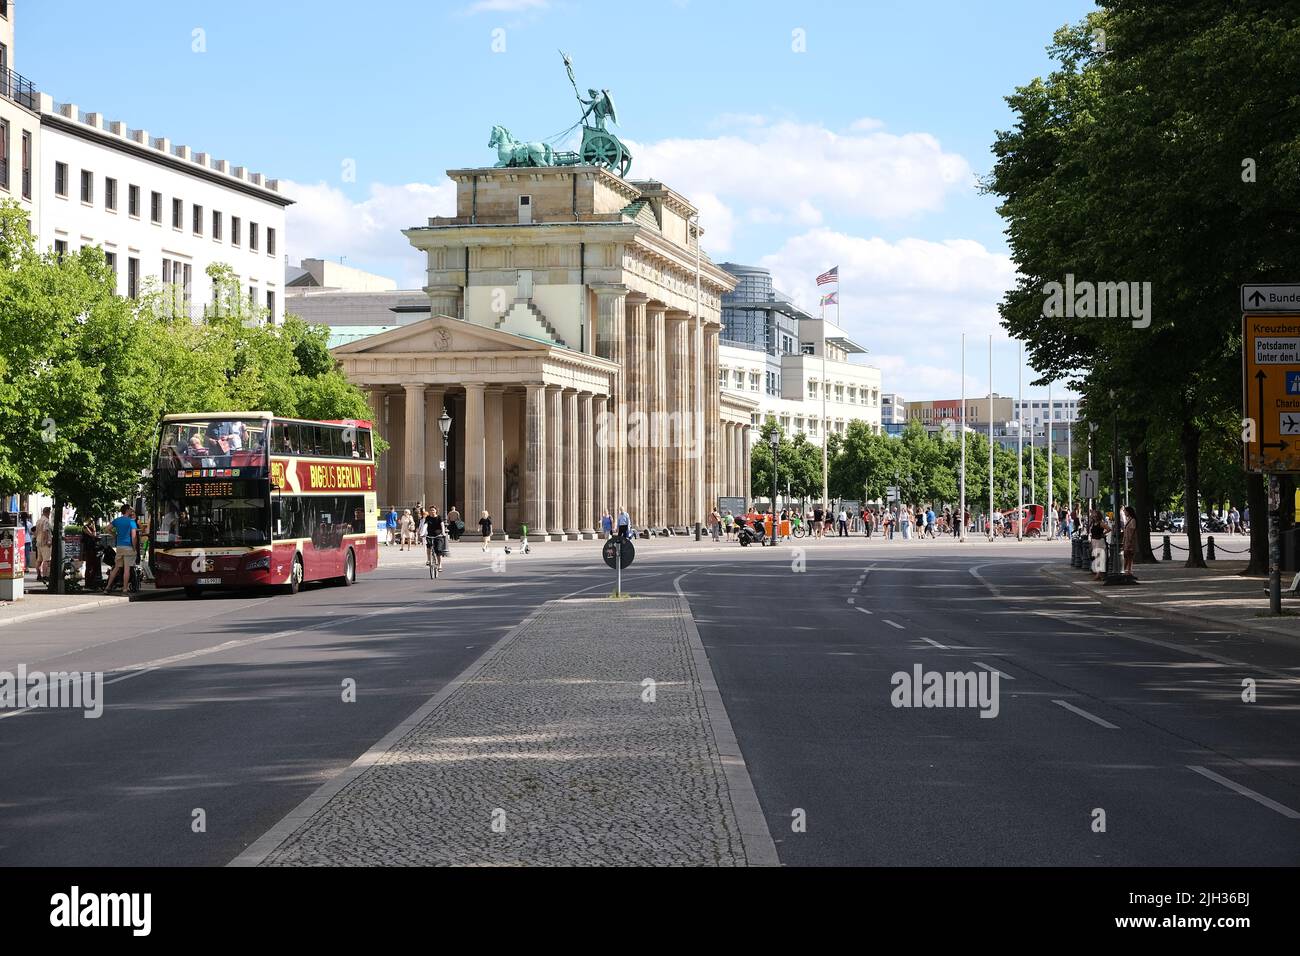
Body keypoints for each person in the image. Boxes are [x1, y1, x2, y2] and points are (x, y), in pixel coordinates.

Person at [104, 504, 138, 594]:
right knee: (126, 569)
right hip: (129, 547)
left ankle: (107, 587)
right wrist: (134, 548)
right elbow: (134, 536)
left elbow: (107, 529)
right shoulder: (131, 522)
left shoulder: (117, 520)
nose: (132, 511)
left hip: (119, 547)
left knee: (116, 568)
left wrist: (115, 535)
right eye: (130, 509)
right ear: (127, 510)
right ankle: (125, 589)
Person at [32, 506, 53, 584]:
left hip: (38, 542)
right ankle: (45, 576)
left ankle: (38, 575)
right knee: (46, 560)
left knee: (39, 560)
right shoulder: (46, 521)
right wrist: (47, 540)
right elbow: (45, 531)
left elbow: (35, 531)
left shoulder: (38, 521)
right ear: (48, 512)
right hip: (45, 543)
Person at [1089, 509, 1109, 581]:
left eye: (1095, 515)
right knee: (1097, 558)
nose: (1093, 516)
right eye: (1093, 515)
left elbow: (1108, 528)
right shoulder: (1093, 523)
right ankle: (1099, 574)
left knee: (1100, 557)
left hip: (1099, 541)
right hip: (1094, 541)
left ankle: (1098, 574)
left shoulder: (1101, 523)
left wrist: (1103, 534)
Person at [425, 507, 447, 571]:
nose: (432, 511)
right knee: (428, 546)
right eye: (431, 510)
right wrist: (422, 533)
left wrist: (443, 532)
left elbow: (442, 524)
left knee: (438, 550)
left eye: (433, 510)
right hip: (430, 535)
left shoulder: (439, 517)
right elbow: (425, 525)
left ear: (436, 511)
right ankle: (428, 560)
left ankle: (440, 565)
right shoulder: (428, 517)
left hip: (438, 535)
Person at [1122, 505, 1138, 577]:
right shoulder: (1129, 519)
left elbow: (1132, 531)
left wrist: (1129, 542)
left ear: (1128, 512)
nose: (1124, 512)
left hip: (1130, 541)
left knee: (1128, 556)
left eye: (1125, 511)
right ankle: (1128, 570)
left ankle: (1127, 570)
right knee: (1127, 556)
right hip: (1127, 540)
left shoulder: (1132, 520)